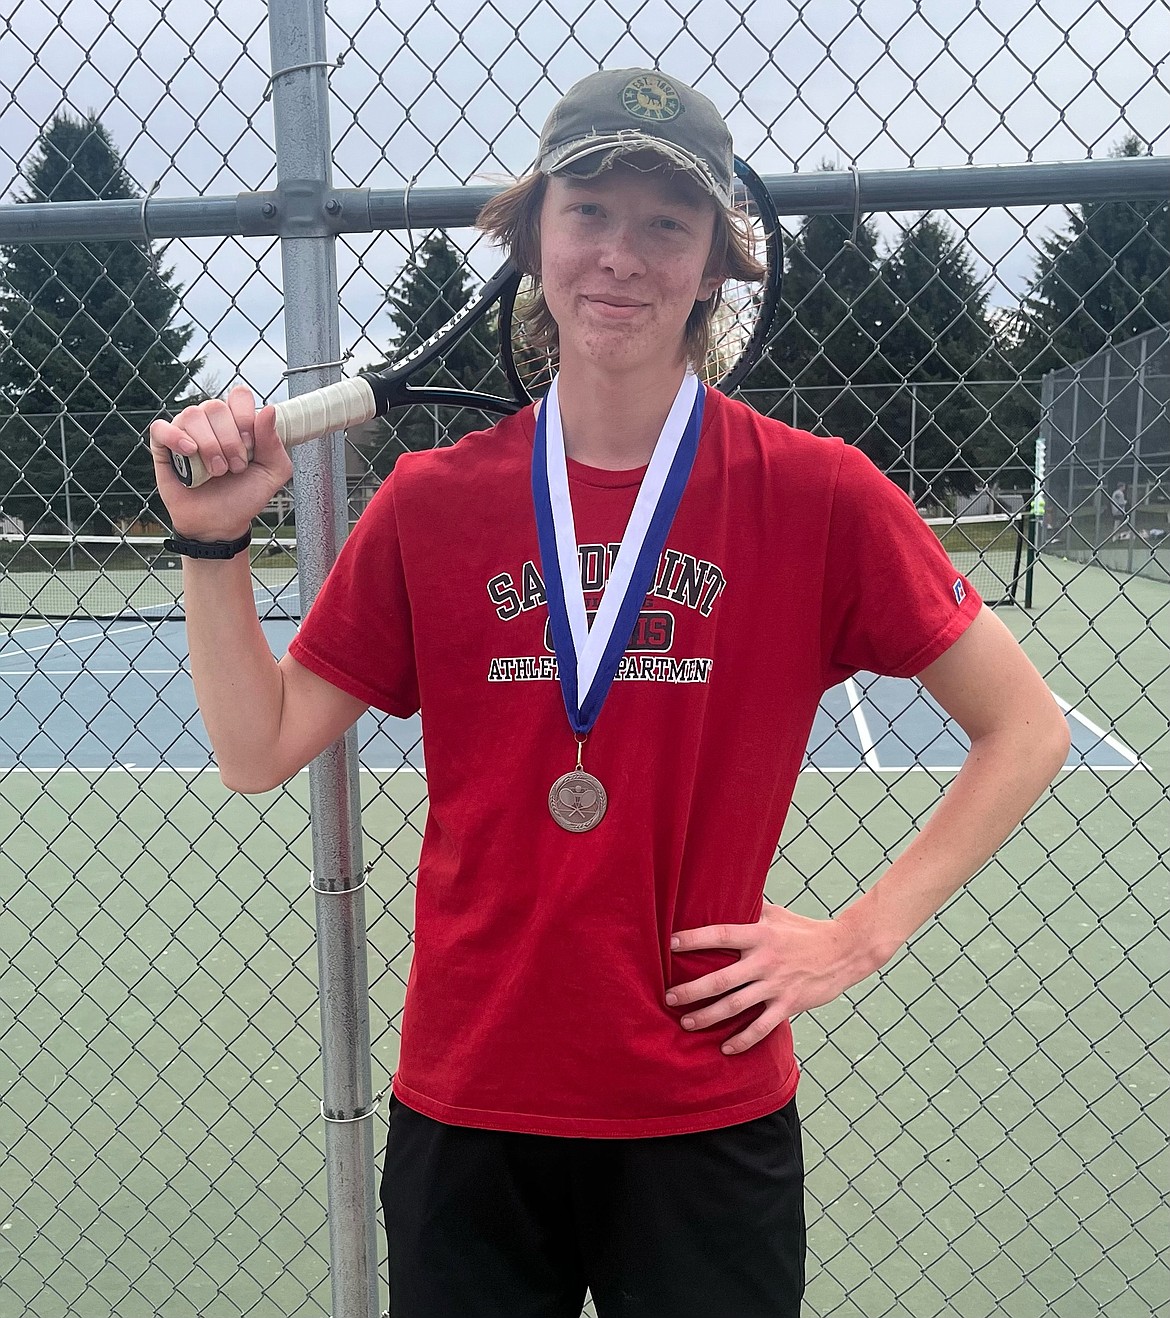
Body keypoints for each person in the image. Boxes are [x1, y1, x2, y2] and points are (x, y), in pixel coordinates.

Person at [149, 67, 1070, 1318]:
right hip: (469, 1105)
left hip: (702, 1109)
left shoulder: (820, 495)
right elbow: (258, 747)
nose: (620, 256)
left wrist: (861, 932)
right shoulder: (432, 503)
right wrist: (213, 546)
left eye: (665, 224)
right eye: (588, 211)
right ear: (534, 237)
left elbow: (1025, 728)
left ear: (713, 268)